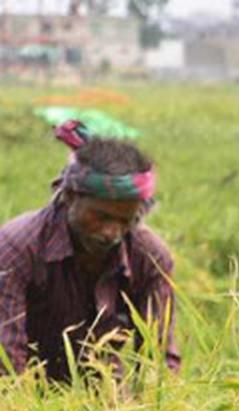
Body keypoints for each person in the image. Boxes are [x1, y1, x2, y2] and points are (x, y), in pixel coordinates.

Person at [0, 120, 178, 382]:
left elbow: (158, 359)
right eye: (100, 216)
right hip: (24, 396)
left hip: (104, 400)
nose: (111, 232)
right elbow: (5, 364)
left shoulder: (149, 256)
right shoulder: (17, 248)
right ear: (70, 196)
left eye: (125, 220)